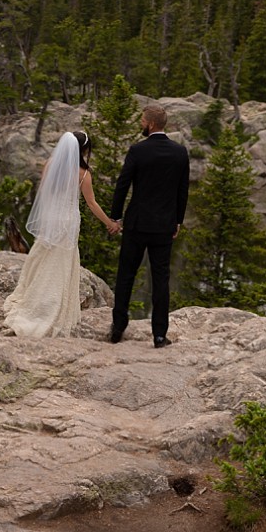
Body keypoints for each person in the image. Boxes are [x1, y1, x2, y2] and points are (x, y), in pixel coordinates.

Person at [3, 130, 118, 338]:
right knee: (60, 262)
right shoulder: (83, 174)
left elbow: (42, 193)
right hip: (67, 220)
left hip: (50, 216)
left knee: (44, 257)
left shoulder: (51, 164)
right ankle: (50, 306)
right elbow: (91, 203)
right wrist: (109, 223)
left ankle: (34, 298)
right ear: (83, 150)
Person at [108, 103, 190, 348]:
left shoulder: (138, 150)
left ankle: (118, 328)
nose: (141, 124)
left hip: (136, 224)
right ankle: (159, 335)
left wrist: (116, 217)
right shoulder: (179, 152)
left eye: (143, 121)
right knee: (161, 280)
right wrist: (178, 220)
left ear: (151, 124)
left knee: (125, 276)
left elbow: (122, 185)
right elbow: (182, 191)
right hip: (164, 225)